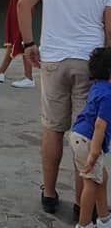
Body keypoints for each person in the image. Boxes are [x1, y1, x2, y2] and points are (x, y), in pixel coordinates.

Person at [17, 0, 111, 218]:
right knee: (83, 133)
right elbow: (110, 29)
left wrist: (29, 44)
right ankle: (81, 200)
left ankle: (48, 192)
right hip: (90, 63)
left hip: (53, 60)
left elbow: (23, 5)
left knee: (53, 128)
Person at [69, 47, 111, 228]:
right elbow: (100, 125)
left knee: (101, 177)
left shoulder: (99, 87)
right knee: (91, 183)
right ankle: (84, 224)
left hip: (79, 136)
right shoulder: (108, 95)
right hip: (89, 141)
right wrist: (94, 154)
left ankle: (104, 218)